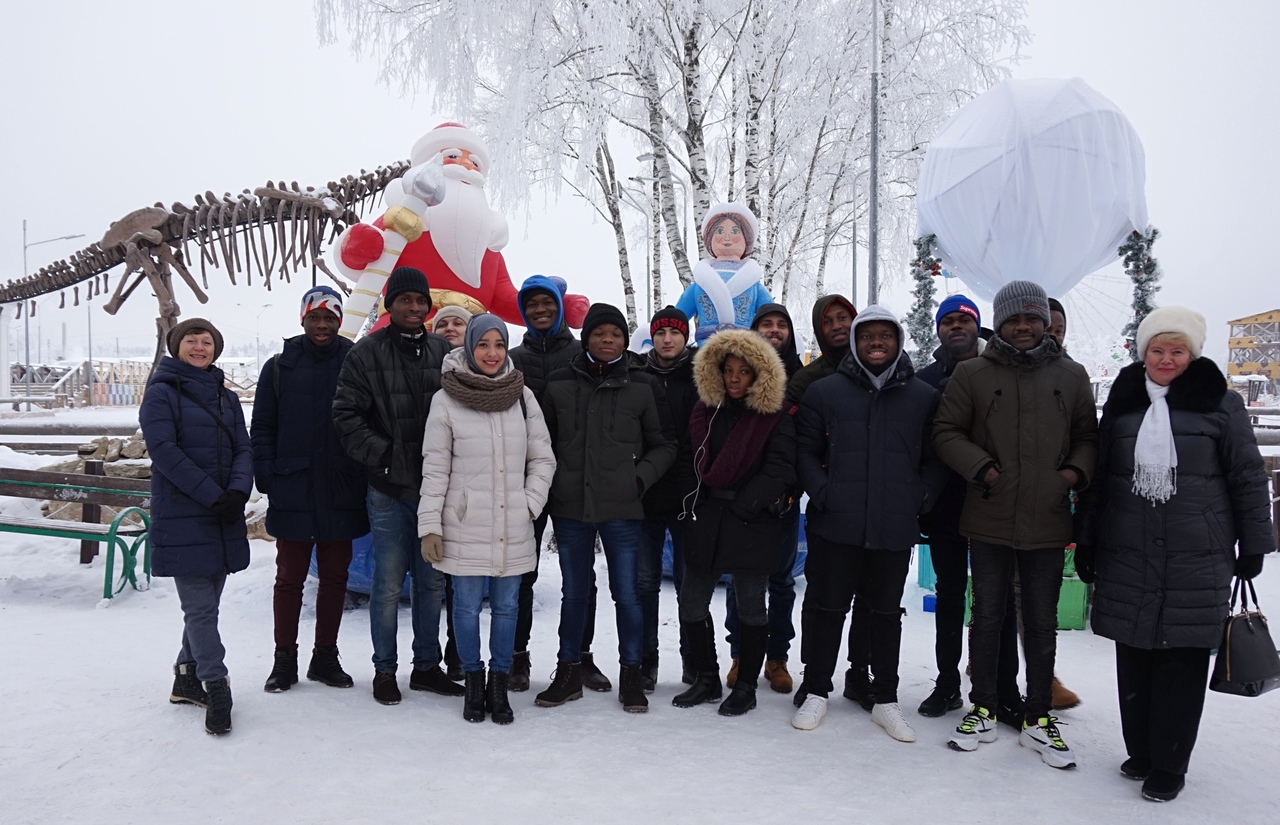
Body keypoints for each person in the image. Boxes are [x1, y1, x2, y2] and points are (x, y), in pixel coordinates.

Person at [1075, 306, 1274, 801]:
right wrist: (1089, 539)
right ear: (1144, 353)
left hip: (1197, 552)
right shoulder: (1122, 406)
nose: (1166, 359)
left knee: (1182, 660)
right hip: (1128, 549)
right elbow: (1101, 480)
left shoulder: (1221, 405)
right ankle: (1140, 750)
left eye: (1177, 351)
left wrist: (1254, 544)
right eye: (1157, 350)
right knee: (1134, 655)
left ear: (1192, 354)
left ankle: (1171, 763)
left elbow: (1248, 477)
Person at [933, 280, 1097, 768]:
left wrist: (1070, 474)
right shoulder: (973, 373)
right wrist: (982, 469)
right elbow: (946, 431)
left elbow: (1088, 435)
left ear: (1045, 324)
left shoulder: (1070, 375)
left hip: (1047, 518)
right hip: (988, 513)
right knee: (986, 615)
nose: (1023, 327)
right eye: (1014, 319)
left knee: (1042, 620)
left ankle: (1038, 715)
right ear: (1000, 323)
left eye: (1032, 319)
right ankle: (982, 707)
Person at [791, 306, 942, 741]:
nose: (877, 342)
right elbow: (804, 452)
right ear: (855, 342)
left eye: (885, 336)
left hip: (893, 525)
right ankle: (818, 689)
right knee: (827, 608)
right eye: (868, 336)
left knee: (884, 614)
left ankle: (886, 699)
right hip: (836, 523)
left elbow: (935, 459)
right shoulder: (825, 392)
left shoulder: (921, 397)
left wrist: (920, 495)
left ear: (897, 341)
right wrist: (824, 492)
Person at [332, 266, 465, 705]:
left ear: (428, 306)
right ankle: (384, 670)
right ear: (390, 305)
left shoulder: (443, 352)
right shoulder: (365, 354)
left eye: (419, 301)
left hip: (435, 491)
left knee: (431, 584)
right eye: (404, 300)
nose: (413, 307)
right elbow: (346, 416)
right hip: (388, 489)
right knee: (388, 584)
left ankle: (427, 667)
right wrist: (385, 456)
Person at [534, 303, 676, 713]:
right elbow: (540, 443)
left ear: (624, 340)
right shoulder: (560, 384)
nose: (607, 339)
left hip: (623, 508)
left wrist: (639, 479)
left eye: (615, 333)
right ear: (587, 338)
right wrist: (555, 482)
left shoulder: (641, 386)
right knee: (575, 592)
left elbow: (665, 444)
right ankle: (569, 671)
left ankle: (631, 674)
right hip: (571, 507)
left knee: (628, 594)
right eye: (599, 333)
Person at [418, 314, 557, 724]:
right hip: (465, 522)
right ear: (470, 348)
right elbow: (435, 467)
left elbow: (543, 457)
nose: (492, 353)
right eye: (484, 345)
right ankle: (473, 682)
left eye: (499, 344)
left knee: (508, 606)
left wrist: (529, 503)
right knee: (463, 607)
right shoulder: (446, 399)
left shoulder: (522, 396)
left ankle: (500, 682)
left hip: (513, 521)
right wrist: (430, 524)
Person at [252, 286, 369, 694]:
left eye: (330, 318)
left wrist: (362, 469)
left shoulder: (356, 361)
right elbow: (263, 426)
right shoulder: (280, 367)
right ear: (303, 319)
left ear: (339, 320)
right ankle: (284, 659)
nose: (322, 325)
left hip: (342, 487)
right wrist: (266, 474)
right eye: (315, 317)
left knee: (336, 578)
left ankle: (325, 657)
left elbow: (369, 420)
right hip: (293, 486)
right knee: (289, 579)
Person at [672, 329, 795, 716]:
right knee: (691, 603)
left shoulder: (772, 417)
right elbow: (691, 461)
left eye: (744, 370)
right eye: (729, 370)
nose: (736, 378)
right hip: (707, 516)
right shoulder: (704, 412)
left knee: (752, 609)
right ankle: (707, 678)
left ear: (759, 373)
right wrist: (697, 502)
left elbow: (779, 467)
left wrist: (747, 504)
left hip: (751, 520)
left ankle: (745, 687)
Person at [141, 318, 253, 736]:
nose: (200, 348)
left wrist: (238, 491)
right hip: (185, 514)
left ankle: (185, 678)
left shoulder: (226, 397)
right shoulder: (160, 394)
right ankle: (216, 683)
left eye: (207, 342)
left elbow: (244, 447)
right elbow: (164, 453)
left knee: (209, 606)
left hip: (223, 513)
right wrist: (213, 495)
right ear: (177, 346)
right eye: (192, 341)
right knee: (200, 609)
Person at [915, 295, 1021, 721]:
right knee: (950, 595)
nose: (956, 326)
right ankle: (947, 683)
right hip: (946, 507)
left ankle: (1002, 688)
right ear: (938, 329)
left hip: (997, 500)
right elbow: (922, 445)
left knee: (999, 600)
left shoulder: (1005, 371)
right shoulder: (925, 380)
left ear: (978, 326)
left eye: (964, 320)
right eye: (948, 321)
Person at [508, 274, 607, 692]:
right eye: (531, 305)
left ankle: (580, 657)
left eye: (546, 302)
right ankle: (516, 657)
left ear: (560, 306)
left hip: (572, 479)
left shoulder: (581, 354)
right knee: (520, 572)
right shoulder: (511, 358)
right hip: (521, 479)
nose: (540, 310)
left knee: (579, 574)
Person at [784, 293, 874, 709]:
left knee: (870, 597)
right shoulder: (809, 379)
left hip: (875, 503)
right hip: (830, 503)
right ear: (819, 330)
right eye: (829, 321)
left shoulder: (880, 368)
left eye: (844, 317)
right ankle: (813, 674)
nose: (837, 325)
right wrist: (818, 487)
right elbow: (795, 440)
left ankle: (860, 671)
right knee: (821, 596)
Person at [724, 303, 803, 693]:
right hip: (738, 501)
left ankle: (777, 657)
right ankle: (740, 653)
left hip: (783, 503)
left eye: (781, 325)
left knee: (782, 580)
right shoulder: (739, 375)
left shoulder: (803, 379)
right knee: (738, 579)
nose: (774, 330)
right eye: (766, 324)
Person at [637, 306, 698, 691]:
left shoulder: (700, 375)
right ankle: (646, 660)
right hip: (646, 496)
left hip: (690, 496)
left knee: (689, 583)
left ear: (685, 336)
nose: (667, 339)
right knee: (644, 582)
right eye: (661, 332)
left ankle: (693, 661)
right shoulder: (638, 376)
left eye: (675, 332)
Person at [675, 203, 774, 342]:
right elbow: (676, 318)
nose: (727, 238)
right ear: (709, 238)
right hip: (707, 353)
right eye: (720, 231)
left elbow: (773, 318)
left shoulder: (753, 285)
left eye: (735, 231)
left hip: (744, 353)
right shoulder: (701, 283)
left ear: (747, 238)